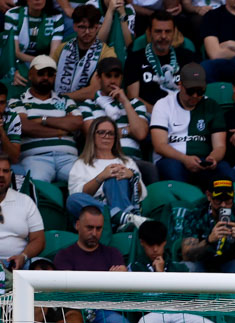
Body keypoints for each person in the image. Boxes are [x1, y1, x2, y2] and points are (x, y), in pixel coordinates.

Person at [149, 63, 234, 186]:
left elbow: (220, 146)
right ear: (180, 85)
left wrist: (213, 158)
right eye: (190, 91)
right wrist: (185, 159)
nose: (195, 96)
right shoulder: (163, 104)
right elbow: (160, 146)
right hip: (173, 159)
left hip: (204, 158)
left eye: (200, 91)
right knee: (173, 170)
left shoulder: (212, 105)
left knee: (226, 172)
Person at [74, 57, 153, 181]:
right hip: (101, 161)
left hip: (131, 160)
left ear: (121, 78)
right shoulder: (87, 105)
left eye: (116, 76)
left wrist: (125, 102)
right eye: (108, 76)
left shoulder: (135, 104)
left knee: (150, 170)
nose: (112, 80)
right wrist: (127, 131)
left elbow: (141, 134)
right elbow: (94, 136)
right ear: (98, 78)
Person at [68, 117, 145, 231]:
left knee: (115, 176)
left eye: (111, 133)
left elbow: (141, 194)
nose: (106, 136)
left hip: (123, 205)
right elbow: (78, 194)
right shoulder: (81, 163)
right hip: (95, 213)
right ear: (92, 136)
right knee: (72, 200)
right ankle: (121, 219)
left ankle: (120, 220)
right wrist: (101, 177)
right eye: (101, 132)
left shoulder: (126, 161)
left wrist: (132, 177)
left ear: (115, 138)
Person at [14, 55, 82, 184]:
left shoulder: (65, 100)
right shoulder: (18, 100)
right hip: (35, 159)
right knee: (37, 184)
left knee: (85, 180)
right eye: (41, 73)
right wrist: (59, 132)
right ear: (30, 75)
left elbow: (76, 122)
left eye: (50, 74)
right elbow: (24, 126)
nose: (46, 77)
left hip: (68, 158)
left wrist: (42, 120)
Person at [180, 179, 235, 273]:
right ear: (209, 196)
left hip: (231, 265)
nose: (223, 205)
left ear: (233, 195)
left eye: (227, 200)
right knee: (186, 267)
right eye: (218, 200)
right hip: (202, 264)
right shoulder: (196, 213)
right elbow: (186, 256)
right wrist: (208, 241)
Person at [125, 12, 198, 110]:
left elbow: (194, 93)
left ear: (174, 33)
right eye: (158, 31)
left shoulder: (187, 57)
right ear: (150, 32)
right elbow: (133, 97)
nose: (163, 36)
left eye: (168, 31)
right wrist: (159, 115)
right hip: (148, 114)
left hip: (182, 112)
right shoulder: (135, 59)